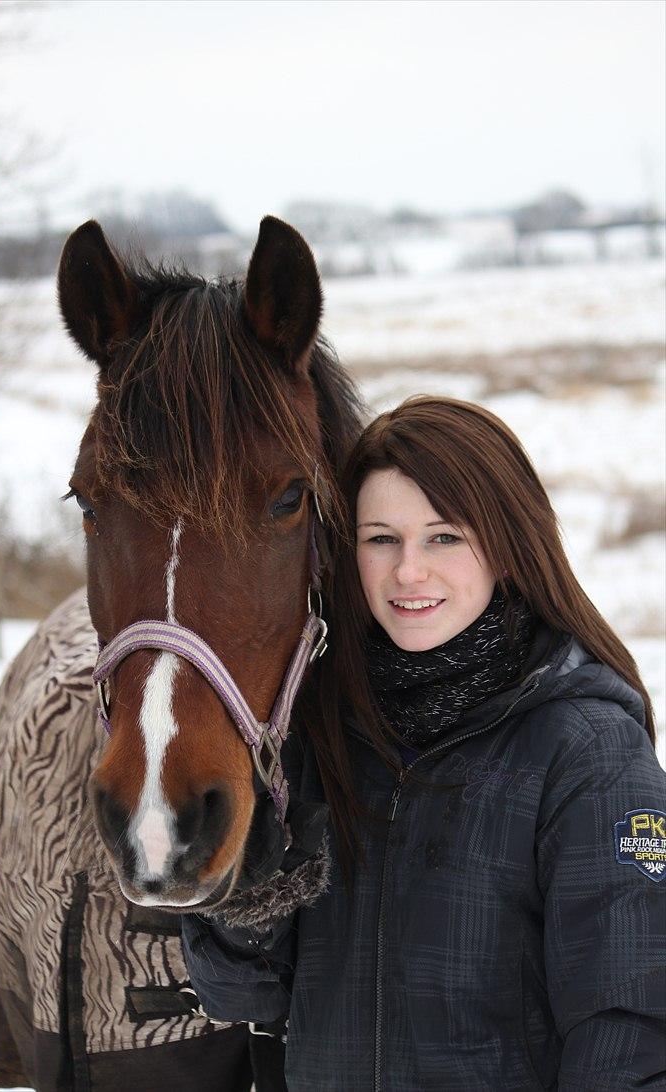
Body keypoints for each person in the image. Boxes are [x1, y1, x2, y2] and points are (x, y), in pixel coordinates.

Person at [182, 396, 666, 1091]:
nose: (409, 571)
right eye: (381, 538)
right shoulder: (318, 737)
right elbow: (244, 998)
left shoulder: (586, 752)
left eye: (444, 537)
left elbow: (631, 1032)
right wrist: (245, 899)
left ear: (507, 546)